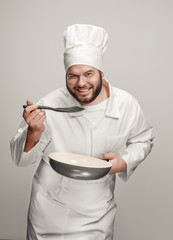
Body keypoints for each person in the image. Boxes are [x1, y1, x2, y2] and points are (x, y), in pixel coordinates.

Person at [10, 24, 154, 240]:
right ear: (66, 75)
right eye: (73, 76)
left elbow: (144, 140)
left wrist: (124, 162)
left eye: (89, 74)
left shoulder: (125, 104)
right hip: (48, 213)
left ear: (101, 73)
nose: (81, 83)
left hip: (96, 213)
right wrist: (33, 131)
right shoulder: (49, 104)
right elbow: (20, 160)